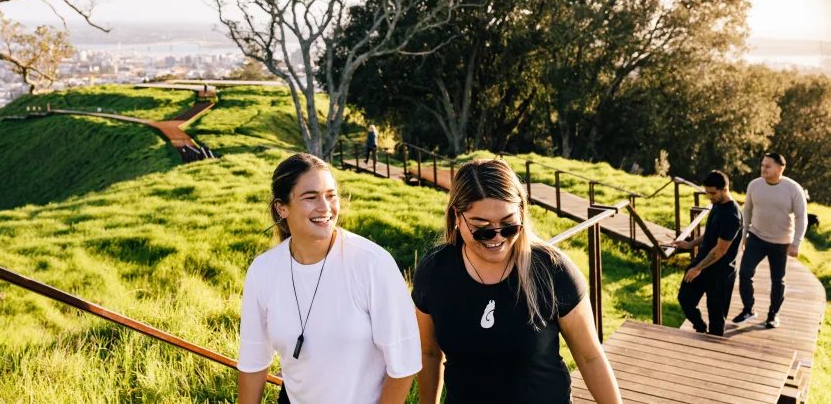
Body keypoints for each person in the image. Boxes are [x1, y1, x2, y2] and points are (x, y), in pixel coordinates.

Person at [411, 159, 622, 404]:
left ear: (521, 212)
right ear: (457, 217)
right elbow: (428, 353)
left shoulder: (553, 271)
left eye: (509, 225)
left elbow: (590, 357)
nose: (497, 237)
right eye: (482, 228)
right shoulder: (434, 270)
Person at [237, 153, 421, 404]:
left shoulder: (372, 264)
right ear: (282, 207)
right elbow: (253, 362)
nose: (325, 207)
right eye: (311, 197)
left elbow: (404, 364)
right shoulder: (263, 271)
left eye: (331, 195)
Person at [732, 152, 807, 329]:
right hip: (756, 237)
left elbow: (801, 218)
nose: (763, 169)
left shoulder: (793, 189)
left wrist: (796, 243)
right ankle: (748, 309)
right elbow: (747, 211)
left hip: (781, 243)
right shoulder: (754, 185)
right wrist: (743, 235)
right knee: (744, 274)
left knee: (777, 280)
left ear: (780, 168)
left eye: (768, 166)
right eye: (762, 165)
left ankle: (773, 314)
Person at [672, 171, 742, 336]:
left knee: (716, 318)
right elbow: (711, 233)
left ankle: (713, 352)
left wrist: (698, 268)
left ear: (725, 190)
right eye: (707, 193)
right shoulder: (717, 204)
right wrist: (690, 244)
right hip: (704, 265)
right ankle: (700, 326)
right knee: (685, 299)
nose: (710, 196)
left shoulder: (732, 216)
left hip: (721, 272)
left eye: (713, 193)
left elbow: (720, 249)